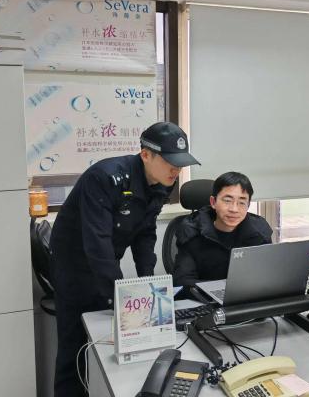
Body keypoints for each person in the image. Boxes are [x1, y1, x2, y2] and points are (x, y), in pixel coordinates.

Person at [49, 121, 199, 397]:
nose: (176, 170)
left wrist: (149, 286)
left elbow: (145, 232)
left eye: (180, 164)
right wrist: (119, 299)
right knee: (74, 346)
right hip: (74, 265)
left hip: (105, 260)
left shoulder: (162, 181)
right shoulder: (104, 178)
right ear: (146, 154)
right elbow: (97, 244)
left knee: (106, 345)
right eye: (170, 162)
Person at [173, 171, 272, 287]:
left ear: (248, 205)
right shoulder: (191, 231)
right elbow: (182, 281)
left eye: (242, 202)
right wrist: (224, 289)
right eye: (227, 201)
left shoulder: (259, 231)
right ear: (213, 202)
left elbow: (269, 274)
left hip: (249, 295)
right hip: (204, 296)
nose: (234, 209)